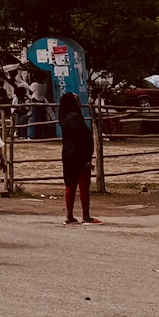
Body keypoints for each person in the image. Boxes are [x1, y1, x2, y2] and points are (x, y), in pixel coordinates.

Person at [59, 92, 98, 224]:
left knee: (70, 185)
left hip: (68, 155)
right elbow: (82, 140)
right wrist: (87, 159)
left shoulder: (64, 117)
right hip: (80, 156)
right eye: (76, 100)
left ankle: (69, 215)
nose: (79, 102)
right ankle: (86, 216)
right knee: (83, 186)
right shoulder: (75, 119)